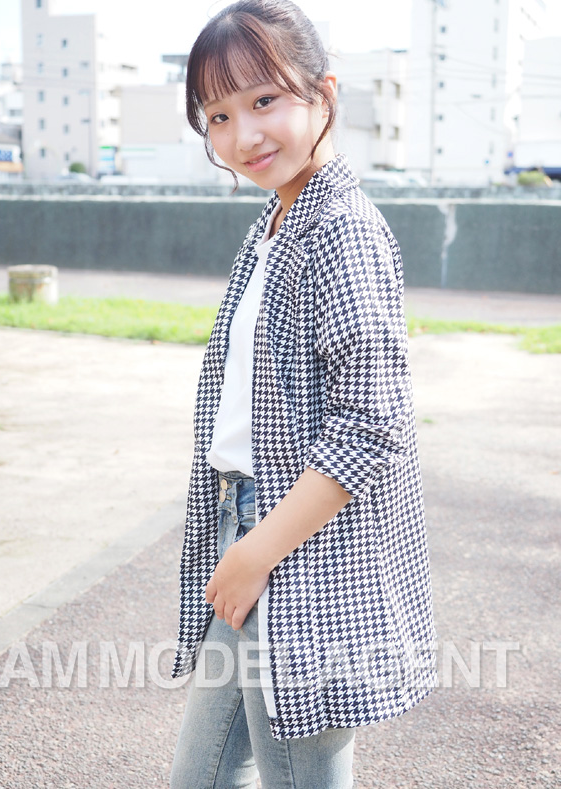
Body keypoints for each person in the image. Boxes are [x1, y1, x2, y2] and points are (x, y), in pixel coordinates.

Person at [169, 2, 438, 786]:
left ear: (324, 94)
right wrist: (243, 543)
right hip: (254, 528)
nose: (243, 135)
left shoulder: (339, 228)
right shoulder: (280, 219)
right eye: (219, 116)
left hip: (298, 548)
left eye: (264, 100)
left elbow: (371, 421)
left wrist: (256, 550)